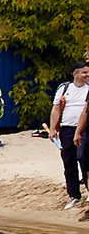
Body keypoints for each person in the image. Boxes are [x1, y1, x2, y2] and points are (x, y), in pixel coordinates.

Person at [49, 61, 89, 210]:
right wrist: (52, 129)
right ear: (75, 74)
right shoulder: (64, 88)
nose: (87, 75)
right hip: (66, 129)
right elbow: (56, 109)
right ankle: (74, 196)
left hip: (85, 129)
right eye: (84, 72)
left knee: (84, 159)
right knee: (69, 162)